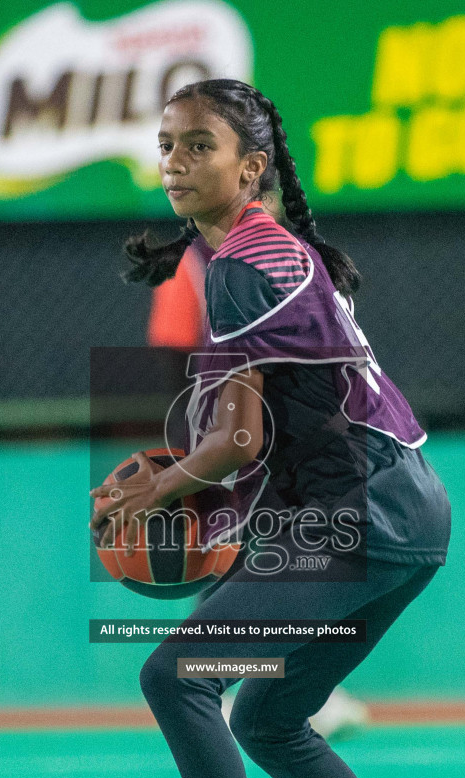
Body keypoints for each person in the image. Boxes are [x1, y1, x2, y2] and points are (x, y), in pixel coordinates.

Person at [93, 78, 465, 778]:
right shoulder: (258, 255)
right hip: (403, 509)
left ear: (253, 167)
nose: (176, 163)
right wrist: (221, 510)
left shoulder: (244, 263)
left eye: (199, 146)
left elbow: (236, 440)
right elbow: (270, 432)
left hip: (367, 510)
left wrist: (159, 488)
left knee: (175, 677)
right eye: (167, 146)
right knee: (267, 719)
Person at [145, 197, 371, 745]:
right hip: (227, 438)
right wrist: (202, 437)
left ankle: (298, 686)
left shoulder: (291, 260)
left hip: (286, 440)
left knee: (292, 559)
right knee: (228, 562)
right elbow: (173, 351)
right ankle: (213, 692)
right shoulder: (195, 265)